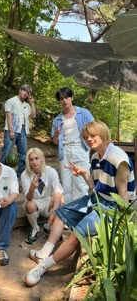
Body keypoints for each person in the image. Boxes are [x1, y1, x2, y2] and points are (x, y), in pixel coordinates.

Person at [24, 121, 135, 286]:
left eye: (93, 135)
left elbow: (123, 196)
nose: (89, 139)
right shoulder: (96, 156)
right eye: (86, 137)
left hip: (113, 206)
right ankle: (44, 252)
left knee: (77, 235)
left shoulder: (118, 159)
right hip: (98, 198)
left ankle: (43, 266)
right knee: (62, 213)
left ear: (104, 134)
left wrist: (124, 224)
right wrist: (84, 174)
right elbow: (94, 187)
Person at [51, 87, 94, 203]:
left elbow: (94, 129)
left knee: (81, 183)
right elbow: (54, 141)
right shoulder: (57, 120)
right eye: (61, 99)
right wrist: (56, 135)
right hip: (65, 151)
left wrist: (89, 147)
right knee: (66, 183)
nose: (64, 100)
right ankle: (69, 214)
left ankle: (81, 213)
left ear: (72, 98)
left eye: (66, 97)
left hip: (80, 148)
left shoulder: (84, 113)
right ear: (59, 102)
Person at [21, 148, 64, 244]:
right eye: (31, 159)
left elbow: (57, 190)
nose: (34, 162)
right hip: (34, 201)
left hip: (48, 201)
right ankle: (35, 228)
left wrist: (55, 210)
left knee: (60, 200)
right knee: (30, 205)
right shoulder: (25, 175)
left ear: (42, 159)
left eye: (36, 158)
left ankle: (49, 226)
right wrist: (31, 189)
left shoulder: (51, 171)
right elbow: (28, 198)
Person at [0, 84, 36, 178]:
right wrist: (11, 131)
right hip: (12, 129)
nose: (26, 93)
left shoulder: (27, 105)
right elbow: (9, 115)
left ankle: (20, 174)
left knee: (23, 153)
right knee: (6, 151)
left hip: (23, 131)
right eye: (24, 91)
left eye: (28, 92)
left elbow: (33, 115)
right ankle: (1, 172)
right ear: (20, 90)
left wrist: (32, 103)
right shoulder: (11, 101)